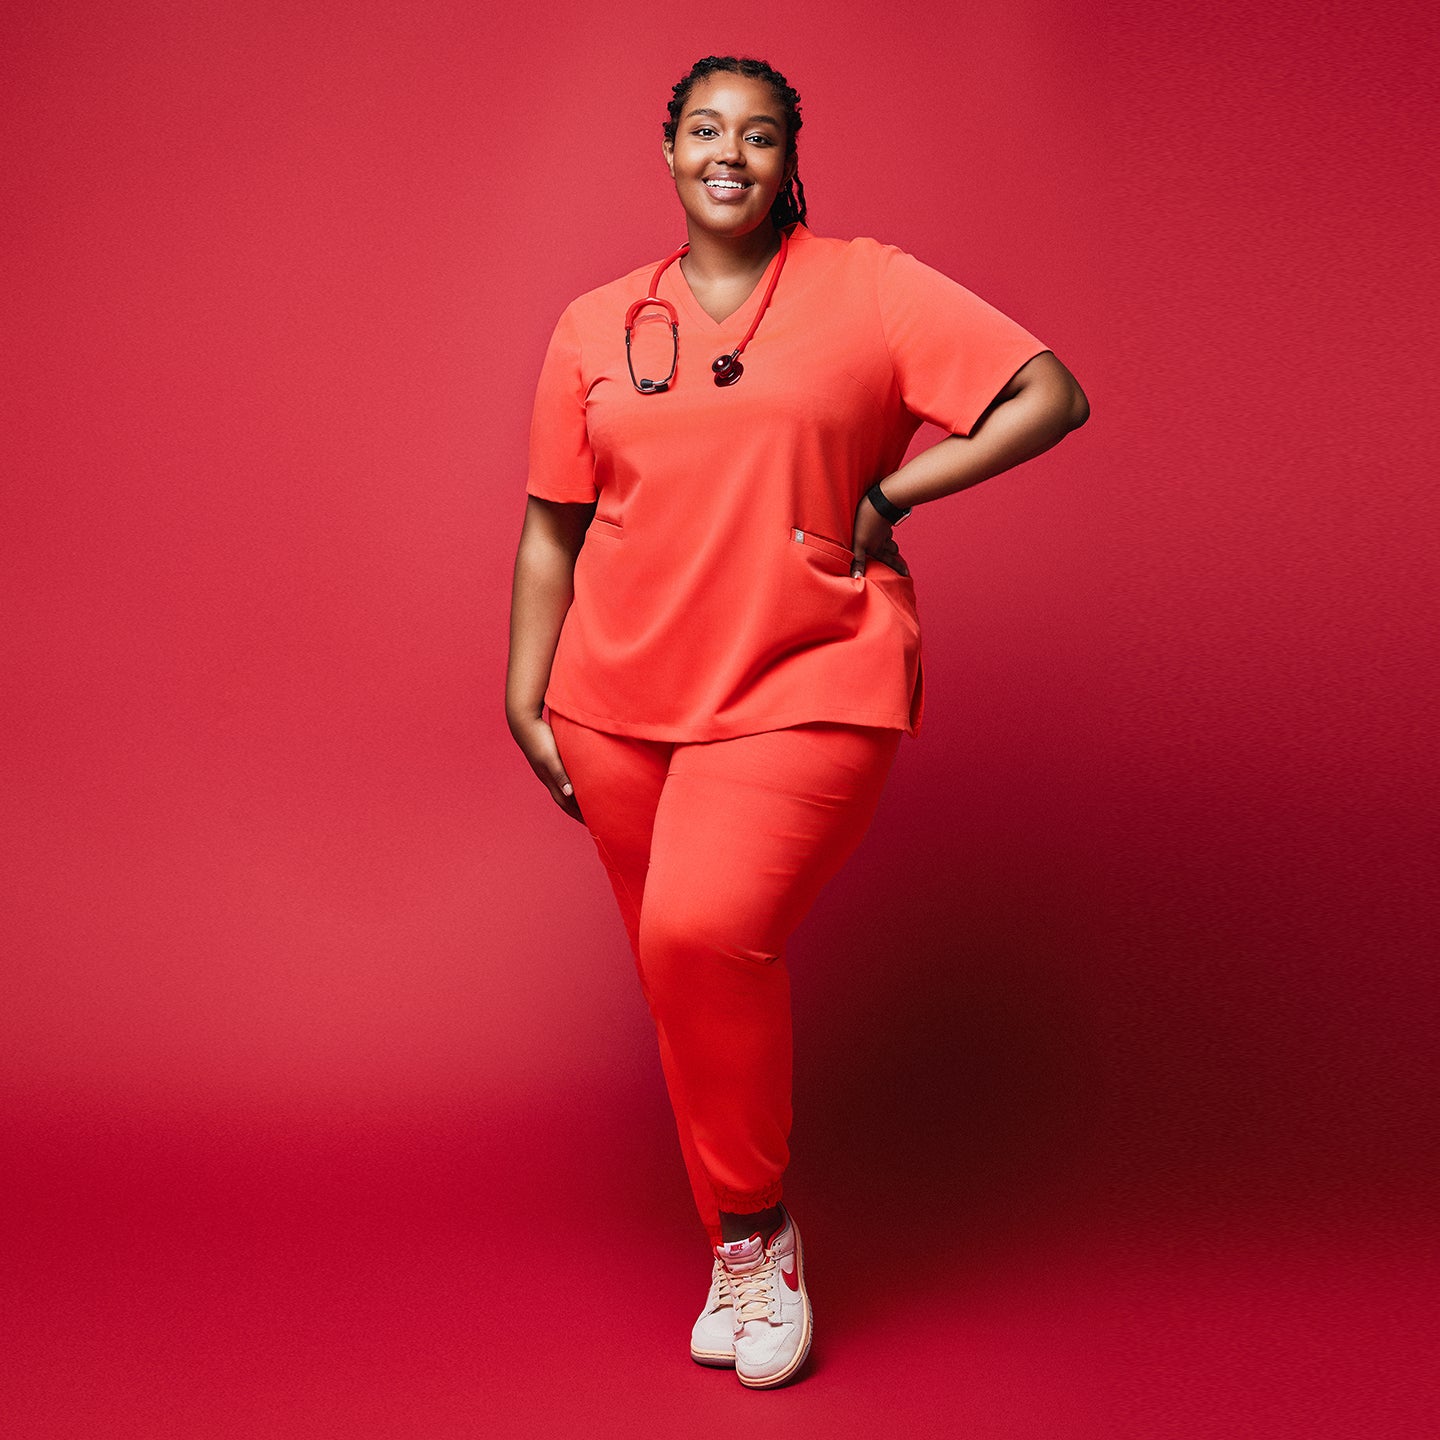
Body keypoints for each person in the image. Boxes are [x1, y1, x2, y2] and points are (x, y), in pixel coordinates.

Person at [506, 55, 1089, 1389]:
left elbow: (1046, 390)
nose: (730, 153)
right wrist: (522, 682)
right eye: (705, 130)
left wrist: (896, 493)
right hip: (617, 700)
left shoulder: (869, 286)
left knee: (706, 931)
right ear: (667, 152)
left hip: (810, 674)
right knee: (682, 980)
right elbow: (552, 527)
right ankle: (737, 1243)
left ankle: (760, 1243)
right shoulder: (596, 322)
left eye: (757, 135)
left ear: (786, 158)